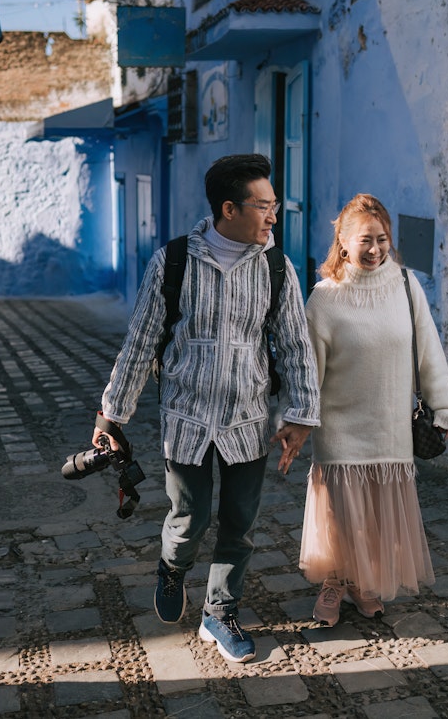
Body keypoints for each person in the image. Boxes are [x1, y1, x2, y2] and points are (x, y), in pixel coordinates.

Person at [94, 153, 320, 663]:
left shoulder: (277, 268)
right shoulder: (172, 262)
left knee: (240, 524)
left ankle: (220, 611)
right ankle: (173, 567)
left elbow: (296, 347)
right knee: (188, 519)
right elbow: (141, 342)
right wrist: (111, 416)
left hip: (248, 420)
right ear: (228, 209)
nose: (274, 215)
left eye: (275, 205)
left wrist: (301, 415)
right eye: (263, 206)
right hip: (187, 419)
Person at [278, 193, 448, 625]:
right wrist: (297, 421)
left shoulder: (405, 286)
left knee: (375, 515)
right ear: (343, 242)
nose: (376, 249)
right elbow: (307, 371)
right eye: (365, 240)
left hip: (389, 424)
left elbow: (428, 351)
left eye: (382, 239)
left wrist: (443, 409)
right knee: (342, 513)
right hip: (340, 427)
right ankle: (335, 581)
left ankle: (361, 582)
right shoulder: (324, 299)